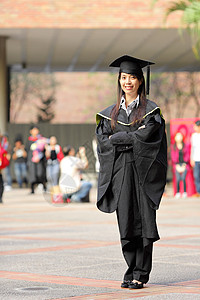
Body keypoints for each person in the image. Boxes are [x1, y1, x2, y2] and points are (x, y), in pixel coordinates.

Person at [96, 55, 167, 289]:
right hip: (121, 173)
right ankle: (130, 268)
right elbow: (103, 142)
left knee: (145, 223)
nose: (128, 82)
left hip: (143, 172)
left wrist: (119, 138)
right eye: (124, 77)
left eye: (133, 77)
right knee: (125, 222)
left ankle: (141, 273)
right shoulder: (110, 114)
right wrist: (130, 138)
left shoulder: (150, 110)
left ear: (140, 81)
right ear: (119, 80)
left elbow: (147, 138)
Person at [26, 125, 47, 194]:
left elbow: (43, 150)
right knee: (32, 174)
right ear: (31, 131)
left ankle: (44, 187)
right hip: (31, 160)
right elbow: (27, 151)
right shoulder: (29, 140)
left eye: (36, 130)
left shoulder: (41, 139)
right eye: (34, 130)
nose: (35, 131)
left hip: (40, 160)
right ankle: (32, 189)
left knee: (40, 173)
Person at [171, 132, 190, 198]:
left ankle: (185, 192)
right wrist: (177, 165)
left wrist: (185, 163)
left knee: (184, 178)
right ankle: (178, 192)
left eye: (180, 136)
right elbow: (173, 157)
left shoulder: (185, 145)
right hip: (177, 165)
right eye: (178, 136)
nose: (179, 138)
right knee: (178, 179)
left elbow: (187, 155)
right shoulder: (173, 146)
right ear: (175, 138)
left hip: (185, 164)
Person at [190, 120, 200, 196]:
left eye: (195, 126)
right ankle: (198, 192)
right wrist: (191, 158)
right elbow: (192, 148)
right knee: (196, 176)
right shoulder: (193, 136)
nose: (194, 128)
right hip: (196, 159)